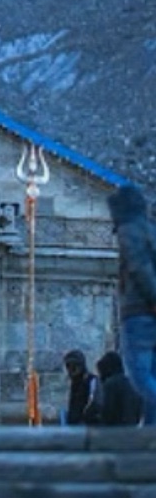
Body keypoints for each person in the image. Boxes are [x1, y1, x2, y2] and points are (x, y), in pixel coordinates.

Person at [108, 182, 156, 424]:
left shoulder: (130, 229)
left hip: (139, 311)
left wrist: (152, 297)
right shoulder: (150, 229)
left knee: (138, 374)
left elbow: (139, 267)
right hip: (148, 310)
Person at [84, 351, 143, 426]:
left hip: (113, 430)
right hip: (130, 429)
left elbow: (106, 412)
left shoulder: (109, 385)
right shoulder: (131, 383)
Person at [63, 349, 98, 424]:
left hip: (87, 424)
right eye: (68, 366)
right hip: (75, 424)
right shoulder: (75, 382)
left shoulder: (91, 380)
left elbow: (93, 402)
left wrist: (85, 417)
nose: (71, 369)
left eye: (74, 366)